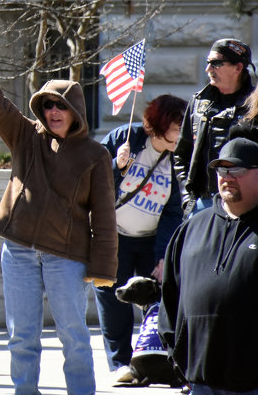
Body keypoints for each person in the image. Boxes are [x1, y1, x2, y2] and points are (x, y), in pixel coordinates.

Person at [0, 22, 117, 395]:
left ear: (75, 110)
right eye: (47, 106)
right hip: (18, 253)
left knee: (75, 339)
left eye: (60, 106)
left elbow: (105, 218)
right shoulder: (26, 136)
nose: (52, 112)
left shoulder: (95, 155)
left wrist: (103, 269)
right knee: (21, 339)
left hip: (66, 257)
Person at [94, 94, 186, 383]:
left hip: (151, 240)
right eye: (176, 127)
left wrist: (163, 255)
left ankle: (158, 360)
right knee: (113, 298)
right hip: (114, 236)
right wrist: (115, 166)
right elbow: (89, 180)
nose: (182, 135)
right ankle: (120, 363)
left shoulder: (177, 155)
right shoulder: (125, 138)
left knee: (159, 301)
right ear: (159, 125)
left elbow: (173, 210)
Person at [159, 136, 258, 394]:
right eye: (221, 169)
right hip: (199, 380)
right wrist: (176, 357)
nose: (226, 176)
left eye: (236, 169)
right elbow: (169, 297)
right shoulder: (191, 229)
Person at [173, 38, 254, 214]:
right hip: (201, 203)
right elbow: (181, 154)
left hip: (245, 204)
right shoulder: (198, 102)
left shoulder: (254, 105)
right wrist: (187, 198)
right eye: (207, 62)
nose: (208, 69)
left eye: (216, 63)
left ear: (238, 68)